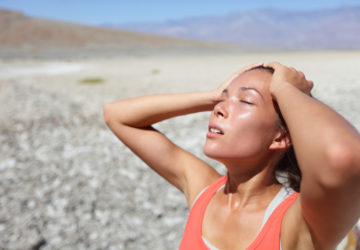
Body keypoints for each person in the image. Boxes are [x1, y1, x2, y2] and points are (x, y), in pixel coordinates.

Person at [103, 62, 360, 249]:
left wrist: (287, 90)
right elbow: (117, 116)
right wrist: (213, 95)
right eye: (221, 101)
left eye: (246, 101)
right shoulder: (204, 191)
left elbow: (343, 155)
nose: (220, 109)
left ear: (280, 137)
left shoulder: (297, 222)